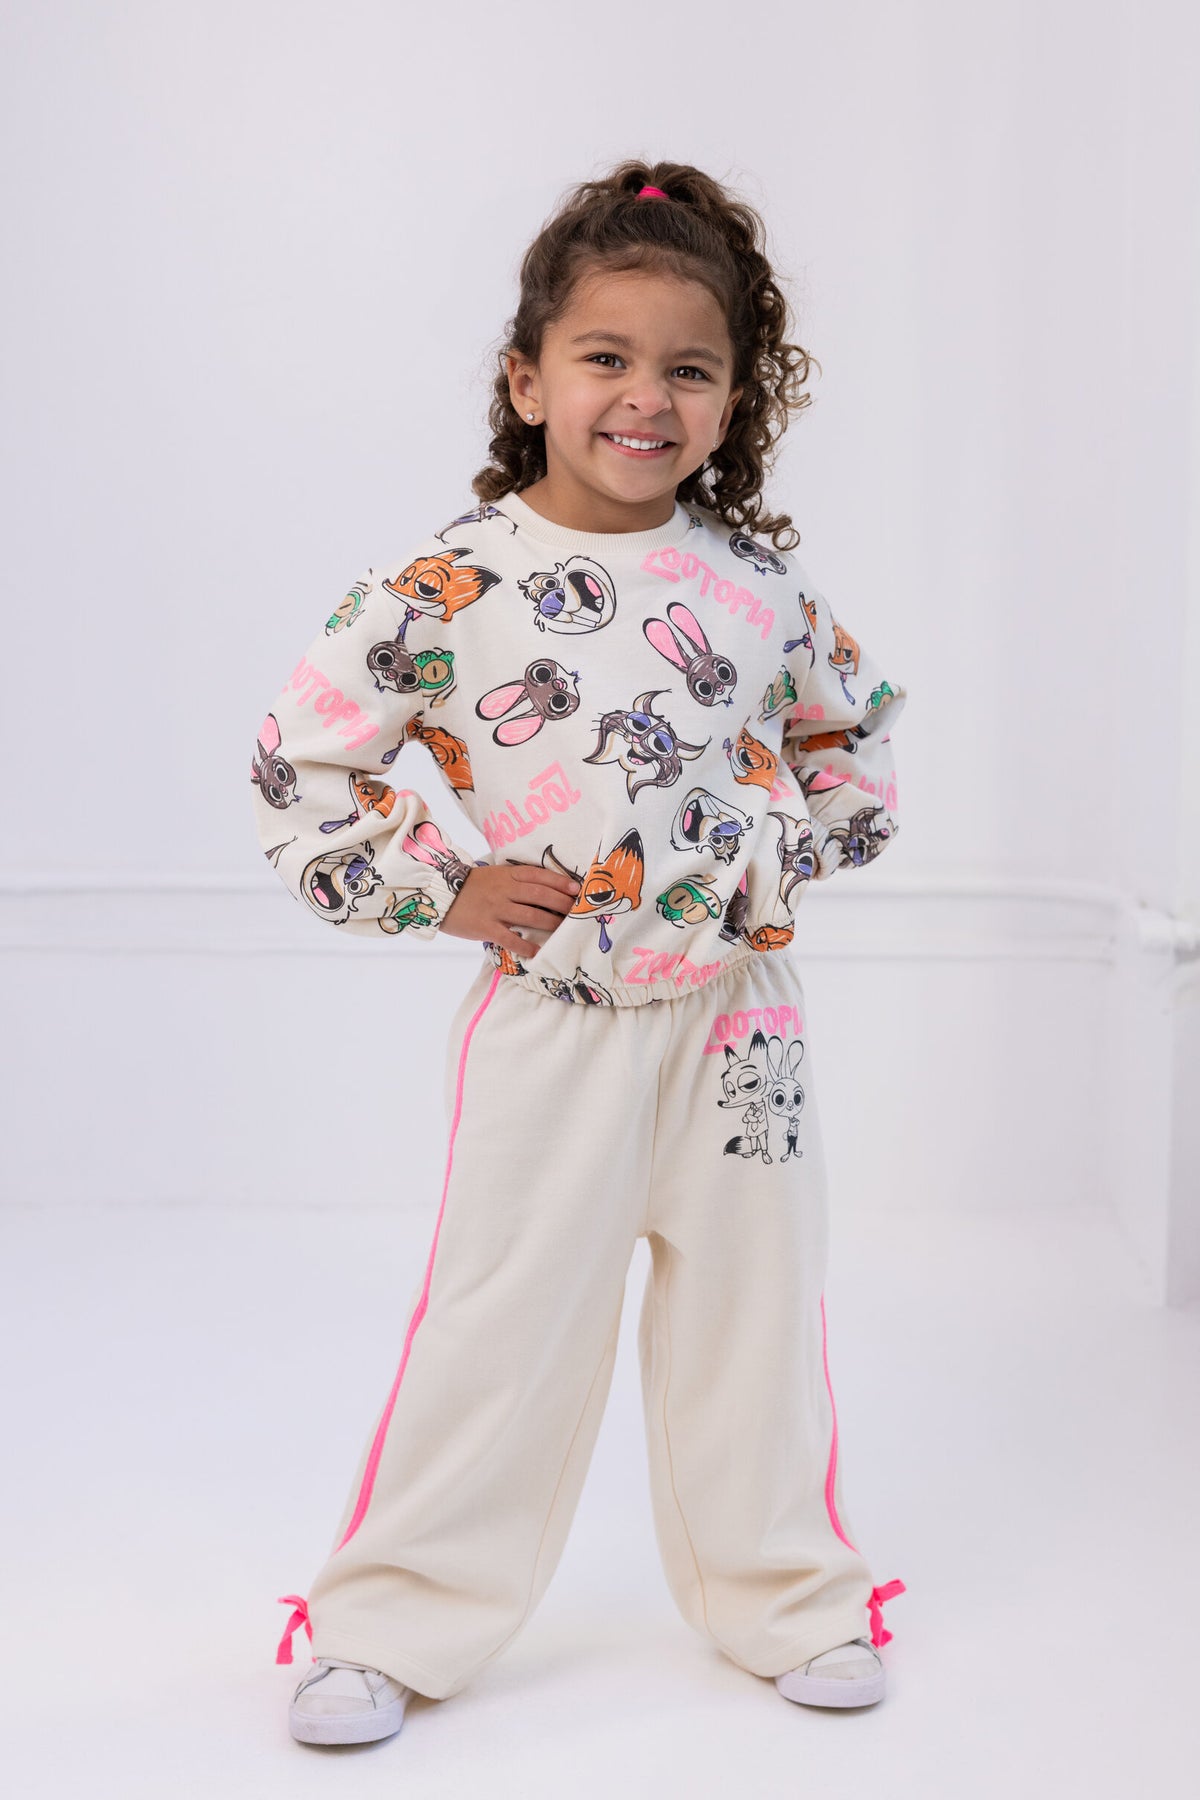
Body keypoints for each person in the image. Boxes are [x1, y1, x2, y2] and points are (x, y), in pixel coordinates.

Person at [252, 159, 908, 1748]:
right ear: (528, 377)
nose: (645, 398)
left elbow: (855, 745)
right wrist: (442, 889)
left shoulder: (756, 588)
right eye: (606, 357)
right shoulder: (449, 582)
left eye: (691, 369)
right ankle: (391, 1622)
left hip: (742, 1020)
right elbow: (300, 761)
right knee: (503, 1322)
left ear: (735, 400)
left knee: (758, 1313)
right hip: (556, 1015)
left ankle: (790, 1596)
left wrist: (781, 856)